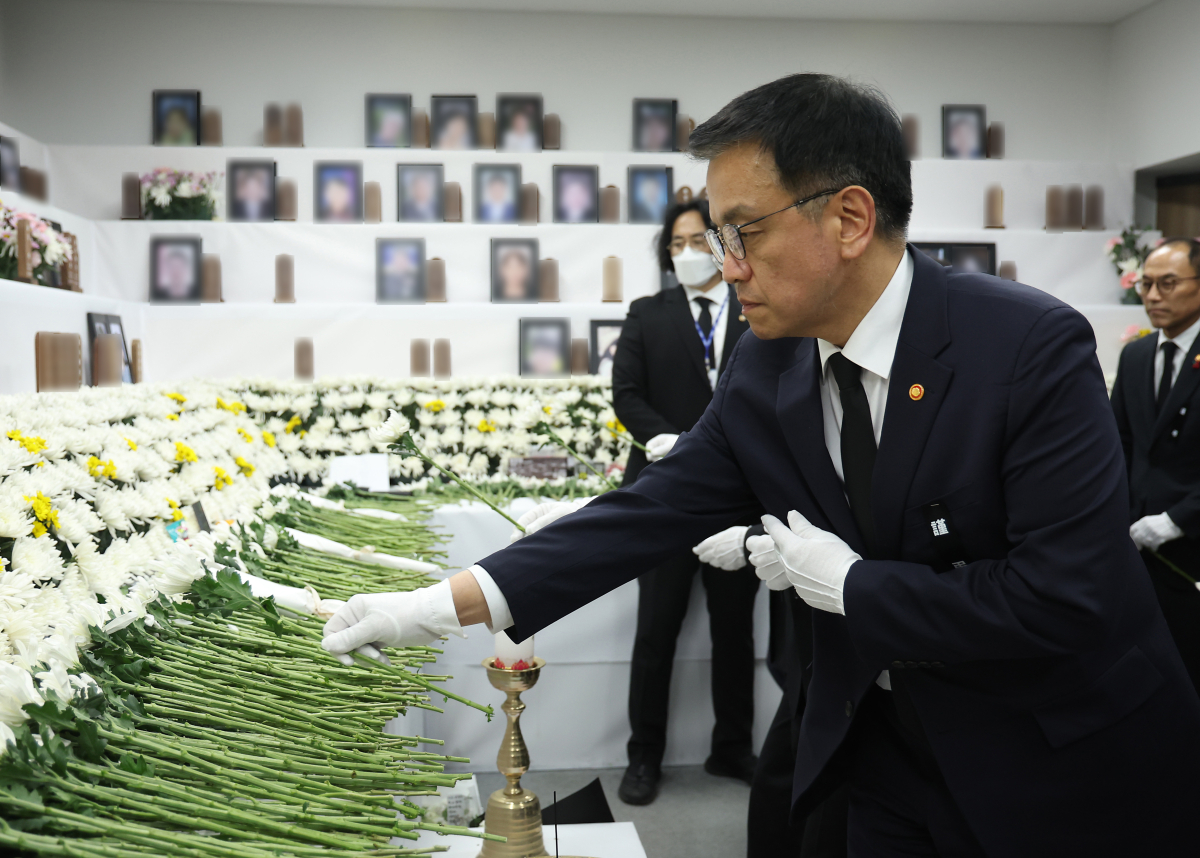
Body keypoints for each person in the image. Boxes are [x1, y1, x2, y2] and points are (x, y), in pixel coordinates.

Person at [323, 74, 1200, 856]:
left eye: (741, 233)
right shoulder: (768, 362)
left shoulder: (1024, 346)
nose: (722, 266)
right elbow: (649, 512)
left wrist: (855, 587)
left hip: (1056, 751)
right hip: (887, 747)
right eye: (712, 238)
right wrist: (432, 607)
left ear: (849, 218)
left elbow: (1064, 594)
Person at [1112, 237, 1200, 692]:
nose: (1152, 296)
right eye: (1146, 284)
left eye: (1167, 284)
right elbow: (1119, 442)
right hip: (1135, 546)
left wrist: (1175, 521)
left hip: (1190, 547)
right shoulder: (1137, 354)